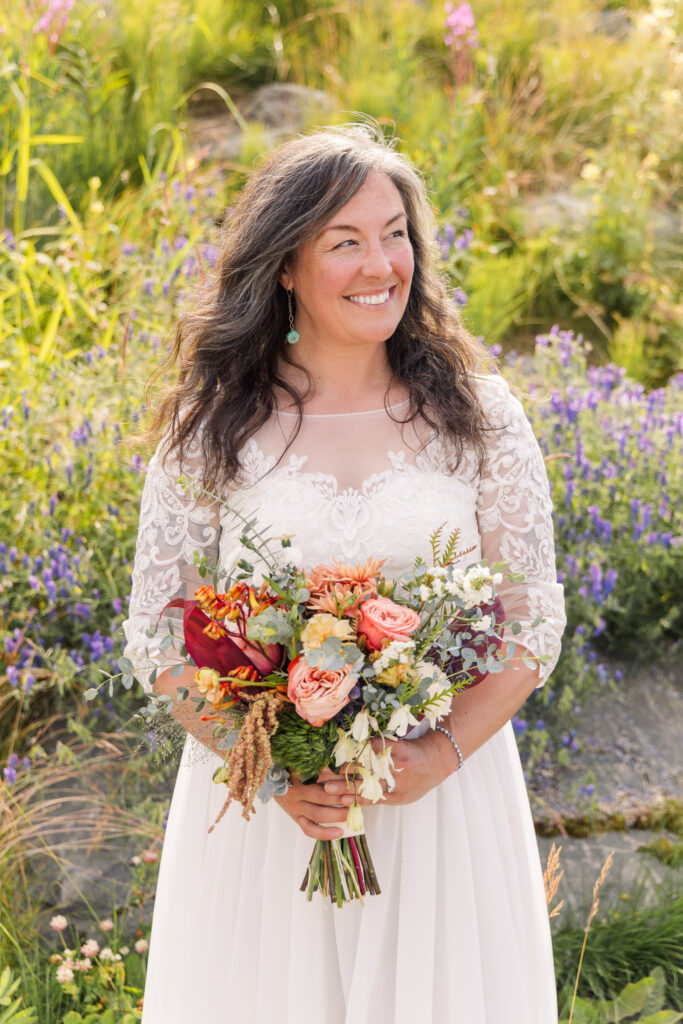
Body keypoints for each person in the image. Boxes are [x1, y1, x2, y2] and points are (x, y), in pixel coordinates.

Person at [122, 123, 566, 1024]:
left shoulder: (479, 413)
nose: (382, 263)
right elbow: (158, 636)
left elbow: (532, 618)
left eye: (395, 233)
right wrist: (279, 775)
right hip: (269, 819)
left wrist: (436, 755)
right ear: (285, 266)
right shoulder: (213, 431)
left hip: (444, 806)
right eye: (346, 241)